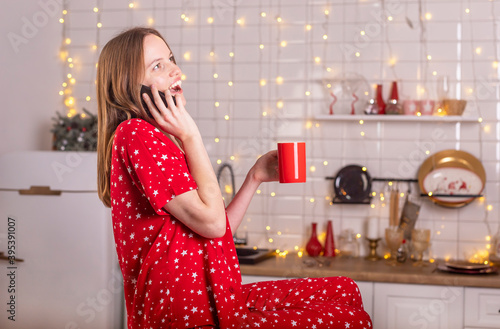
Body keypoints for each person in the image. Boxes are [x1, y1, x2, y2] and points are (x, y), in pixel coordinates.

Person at [96, 27, 372, 329]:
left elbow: (213, 234)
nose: (176, 70)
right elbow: (213, 225)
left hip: (215, 298)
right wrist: (191, 135)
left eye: (171, 59)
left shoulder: (158, 139)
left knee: (345, 289)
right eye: (158, 66)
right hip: (189, 315)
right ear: (127, 86)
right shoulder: (137, 134)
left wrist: (254, 177)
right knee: (350, 318)